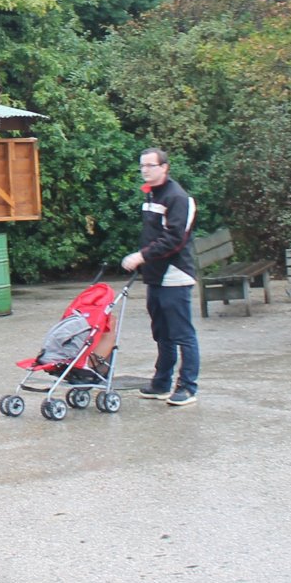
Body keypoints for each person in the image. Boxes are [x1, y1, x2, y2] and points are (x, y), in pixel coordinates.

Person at [120, 148, 200, 407]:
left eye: (150, 165)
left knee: (182, 333)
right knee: (162, 333)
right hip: (155, 275)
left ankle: (187, 387)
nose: (145, 170)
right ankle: (161, 383)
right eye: (142, 166)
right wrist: (145, 261)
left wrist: (141, 256)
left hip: (175, 275)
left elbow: (175, 240)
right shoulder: (151, 193)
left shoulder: (178, 197)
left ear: (164, 167)